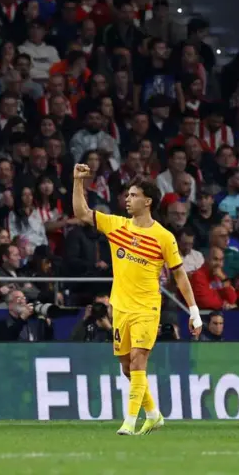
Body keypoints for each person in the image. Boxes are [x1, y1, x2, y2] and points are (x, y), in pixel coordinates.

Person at [71, 163, 203, 436]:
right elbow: (81, 212)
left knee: (139, 359)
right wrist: (77, 181)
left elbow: (179, 276)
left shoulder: (164, 237)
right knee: (127, 367)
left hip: (147, 307)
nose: (127, 200)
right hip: (120, 306)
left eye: (133, 195)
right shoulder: (116, 225)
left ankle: (129, 421)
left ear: (148, 201)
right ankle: (153, 414)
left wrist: (194, 311)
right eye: (127, 195)